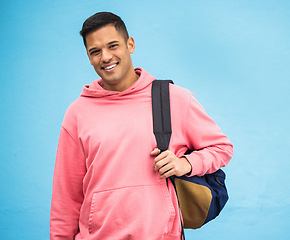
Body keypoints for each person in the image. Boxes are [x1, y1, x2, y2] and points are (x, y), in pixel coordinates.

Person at [50, 12, 233, 240]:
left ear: (130, 44)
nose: (105, 57)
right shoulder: (77, 113)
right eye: (95, 51)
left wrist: (186, 163)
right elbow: (65, 197)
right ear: (88, 57)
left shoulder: (173, 98)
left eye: (112, 46)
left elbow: (222, 148)